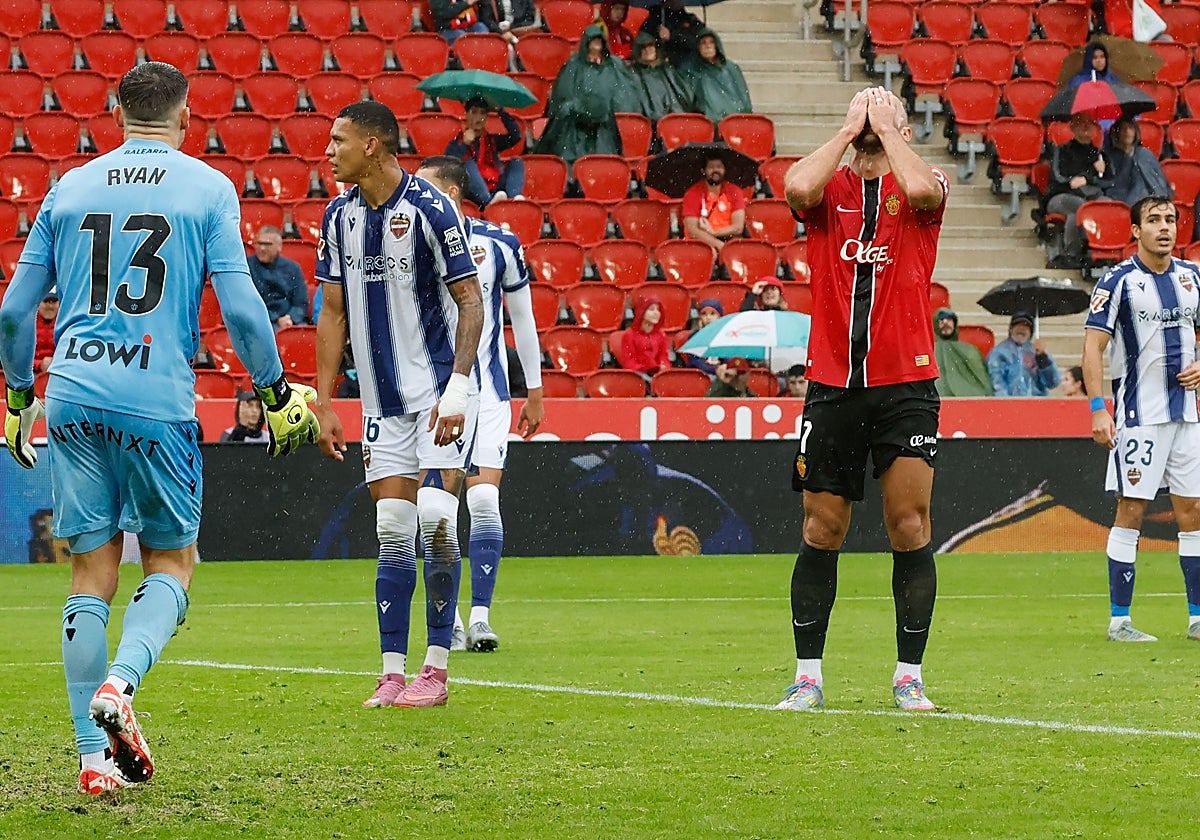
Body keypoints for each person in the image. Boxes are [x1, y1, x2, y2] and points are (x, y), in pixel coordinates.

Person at [0, 61, 319, 795]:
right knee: (173, 563)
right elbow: (242, 309)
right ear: (185, 116)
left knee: (89, 576)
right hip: (155, 398)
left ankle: (91, 758)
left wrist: (20, 399)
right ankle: (121, 684)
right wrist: (272, 390)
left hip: (73, 393)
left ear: (116, 113)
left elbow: (16, 312)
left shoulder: (69, 186)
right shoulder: (207, 187)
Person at [779, 87, 949, 712]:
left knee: (908, 525)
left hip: (906, 384)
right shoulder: (829, 190)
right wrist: (851, 131)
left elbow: (926, 191)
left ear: (904, 126)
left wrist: (890, 130)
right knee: (823, 529)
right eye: (865, 112)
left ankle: (909, 676)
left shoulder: (922, 185)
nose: (874, 121)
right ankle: (807, 676)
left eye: (885, 114)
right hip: (833, 385)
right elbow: (796, 189)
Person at [311, 102, 484, 709]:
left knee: (436, 522)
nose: (328, 150)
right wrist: (326, 401)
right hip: (381, 403)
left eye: (339, 140)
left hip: (439, 397)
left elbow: (470, 301)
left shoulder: (434, 210)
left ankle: (434, 669)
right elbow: (331, 313)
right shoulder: (337, 216)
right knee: (391, 529)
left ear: (374, 146)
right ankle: (391, 672)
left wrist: (460, 387)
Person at [414, 156, 544, 653]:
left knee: (484, 500)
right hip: (432, 396)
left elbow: (524, 320)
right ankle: (443, 620)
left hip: (487, 394)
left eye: (424, 188)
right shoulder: (412, 246)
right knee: (436, 513)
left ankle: (481, 618)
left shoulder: (499, 244)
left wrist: (534, 388)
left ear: (450, 191)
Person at [1082, 195, 1200, 643]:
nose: (1164, 227)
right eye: (1153, 221)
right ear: (1135, 231)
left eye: (1170, 219)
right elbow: (1093, 347)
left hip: (1187, 417)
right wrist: (1098, 409)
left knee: (1193, 512)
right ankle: (1119, 621)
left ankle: (1196, 618)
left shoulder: (1192, 278)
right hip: (1139, 417)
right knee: (1132, 509)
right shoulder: (1118, 282)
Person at [535, 25, 638, 164]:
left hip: (606, 129)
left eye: (599, 40)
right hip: (574, 131)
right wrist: (582, 108)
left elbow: (625, 97)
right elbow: (563, 98)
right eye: (593, 40)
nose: (597, 44)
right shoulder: (573, 65)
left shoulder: (615, 65)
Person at [1044, 113, 1111, 270]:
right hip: (1061, 197)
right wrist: (1086, 175)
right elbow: (1059, 179)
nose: (1086, 126)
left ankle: (1101, 252)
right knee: (1081, 208)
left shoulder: (1099, 155)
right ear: (1072, 128)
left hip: (1091, 197)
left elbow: (1109, 181)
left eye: (1090, 122)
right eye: (1081, 122)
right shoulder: (1062, 150)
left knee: (1106, 205)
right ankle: (1073, 254)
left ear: (1095, 128)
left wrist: (1090, 177)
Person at [444, 97, 526, 208]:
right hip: (474, 194)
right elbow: (450, 166)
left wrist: (500, 111)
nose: (478, 117)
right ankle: (488, 203)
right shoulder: (456, 142)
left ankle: (513, 201)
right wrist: (464, 143)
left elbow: (516, 136)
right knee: (467, 164)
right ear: (466, 114)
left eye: (482, 113)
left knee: (516, 162)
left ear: (486, 117)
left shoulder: (491, 140)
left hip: (496, 187)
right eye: (473, 112)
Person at [677, 28, 753, 125]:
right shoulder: (691, 69)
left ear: (717, 45)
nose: (708, 46)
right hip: (706, 124)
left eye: (711, 42)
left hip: (734, 122)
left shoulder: (731, 68)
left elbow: (744, 98)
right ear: (698, 47)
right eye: (703, 43)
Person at [626, 31, 693, 129]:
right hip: (650, 125)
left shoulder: (668, 70)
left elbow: (684, 95)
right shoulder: (634, 74)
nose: (647, 50)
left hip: (676, 121)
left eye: (650, 46)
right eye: (643, 48)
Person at [681, 153, 746, 253]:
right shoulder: (692, 193)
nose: (715, 170)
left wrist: (715, 233)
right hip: (701, 241)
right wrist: (717, 244)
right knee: (711, 253)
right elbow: (693, 231)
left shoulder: (735, 191)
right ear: (703, 171)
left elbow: (738, 227)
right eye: (711, 167)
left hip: (728, 239)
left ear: (724, 170)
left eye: (719, 167)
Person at [247, 225, 309, 329]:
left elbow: (301, 302)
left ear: (279, 246)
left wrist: (290, 319)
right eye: (259, 243)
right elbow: (247, 304)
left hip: (289, 321)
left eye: (267, 244)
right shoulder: (247, 266)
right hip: (259, 321)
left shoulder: (293, 268)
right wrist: (275, 319)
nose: (262, 248)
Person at [986, 311, 1061, 396]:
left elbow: (1053, 383)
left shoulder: (1036, 351)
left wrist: (1042, 357)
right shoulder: (999, 352)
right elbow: (996, 382)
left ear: (1031, 332)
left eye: (1026, 325)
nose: (1021, 328)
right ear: (1011, 329)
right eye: (1018, 324)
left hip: (1036, 405)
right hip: (1010, 405)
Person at [1103, 118, 1171, 209]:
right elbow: (1109, 183)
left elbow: (1158, 181)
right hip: (1121, 197)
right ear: (1117, 133)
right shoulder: (1109, 156)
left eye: (1130, 128)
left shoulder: (1145, 154)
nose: (1127, 132)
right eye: (1123, 129)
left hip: (1150, 197)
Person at [932, 307, 993, 397]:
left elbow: (982, 380)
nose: (945, 322)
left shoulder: (971, 350)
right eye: (941, 319)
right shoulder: (930, 351)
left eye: (949, 319)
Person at [638, 0, 703, 68]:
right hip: (659, 68)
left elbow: (697, 40)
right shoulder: (654, 20)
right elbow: (642, 41)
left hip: (687, 66)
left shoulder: (690, 19)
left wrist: (671, 36)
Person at [620, 295, 671, 377]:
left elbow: (664, 357)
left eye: (658, 309)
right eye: (651, 309)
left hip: (658, 375)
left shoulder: (661, 335)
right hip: (638, 375)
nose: (656, 313)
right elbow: (629, 363)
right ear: (641, 312)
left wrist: (664, 367)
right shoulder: (629, 335)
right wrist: (650, 367)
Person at [679, 297, 723, 374]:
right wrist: (715, 369)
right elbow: (696, 361)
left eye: (712, 314)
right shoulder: (695, 337)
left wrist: (725, 367)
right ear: (700, 318)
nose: (708, 318)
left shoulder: (725, 336)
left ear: (720, 317)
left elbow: (728, 357)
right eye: (704, 314)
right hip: (700, 374)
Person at [478, 0, 544, 43]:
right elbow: (487, 20)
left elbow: (530, 19)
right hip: (498, 34)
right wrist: (501, 33)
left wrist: (511, 27)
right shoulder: (488, 1)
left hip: (520, 30)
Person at [34, 290, 59, 372]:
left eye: (54, 302)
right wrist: (39, 364)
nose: (50, 306)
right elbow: (18, 359)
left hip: (58, 371)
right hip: (31, 372)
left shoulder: (66, 323)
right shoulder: (27, 323)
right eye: (46, 301)